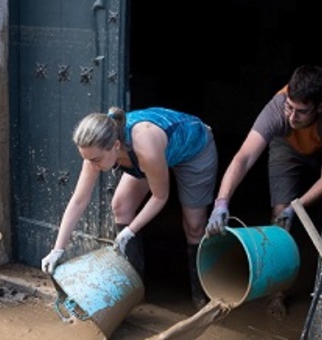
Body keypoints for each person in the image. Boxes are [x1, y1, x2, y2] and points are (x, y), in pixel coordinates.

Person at [41, 106, 218, 309]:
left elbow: (160, 197)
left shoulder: (146, 149)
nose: (92, 165)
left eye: (96, 160)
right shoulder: (96, 152)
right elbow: (79, 200)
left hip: (193, 149)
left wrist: (130, 231)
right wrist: (57, 249)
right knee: (121, 205)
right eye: (87, 159)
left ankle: (200, 299)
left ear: (116, 145)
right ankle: (134, 296)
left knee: (194, 226)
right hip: (151, 154)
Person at [205, 65, 322, 317]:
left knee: (301, 209)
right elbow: (244, 157)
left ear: (320, 107)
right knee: (279, 215)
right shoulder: (278, 109)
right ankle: (277, 294)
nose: (292, 117)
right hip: (287, 146)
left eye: (301, 112)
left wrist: (297, 207)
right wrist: (221, 201)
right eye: (290, 107)